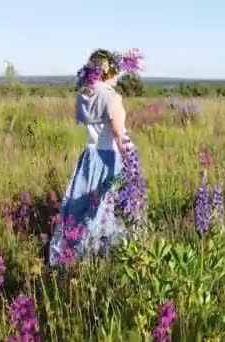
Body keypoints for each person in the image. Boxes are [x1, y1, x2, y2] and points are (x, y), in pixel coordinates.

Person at [49, 49, 144, 266]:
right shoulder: (112, 97)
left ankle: (69, 257)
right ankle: (99, 258)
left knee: (79, 210)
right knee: (106, 209)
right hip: (110, 157)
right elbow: (119, 135)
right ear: (110, 71)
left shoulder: (84, 95)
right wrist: (132, 162)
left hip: (89, 158)